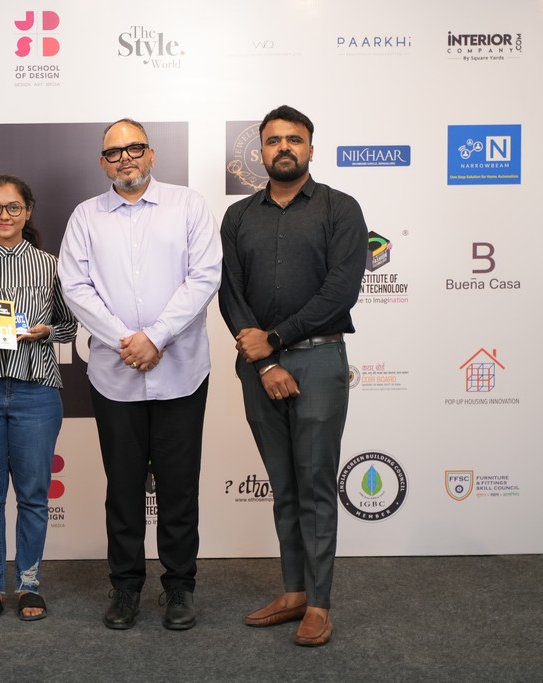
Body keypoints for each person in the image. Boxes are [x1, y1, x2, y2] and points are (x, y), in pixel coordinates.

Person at [58, 118, 222, 631]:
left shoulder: (189, 205)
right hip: (115, 374)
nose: (125, 158)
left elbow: (204, 277)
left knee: (179, 486)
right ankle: (125, 586)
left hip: (181, 371)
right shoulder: (86, 216)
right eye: (114, 152)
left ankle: (179, 586)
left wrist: (157, 336)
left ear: (151, 154)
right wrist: (125, 341)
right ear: (103, 163)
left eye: (134, 148)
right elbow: (75, 287)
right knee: (123, 487)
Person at [218, 105, 368, 647]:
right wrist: (264, 361)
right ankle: (294, 592)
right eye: (273, 140)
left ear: (310, 148)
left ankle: (320, 604)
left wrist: (275, 341)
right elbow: (230, 293)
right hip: (259, 368)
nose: (284, 147)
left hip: (319, 361)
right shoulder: (238, 216)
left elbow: (340, 293)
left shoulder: (340, 208)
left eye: (294, 139)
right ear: (260, 150)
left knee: (315, 486)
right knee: (284, 487)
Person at [0, 175, 77, 622]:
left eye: (13, 207)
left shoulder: (51, 265)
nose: (4, 215)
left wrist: (45, 332)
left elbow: (69, 326)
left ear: (28, 211)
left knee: (33, 497)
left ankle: (28, 585)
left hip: (36, 390)